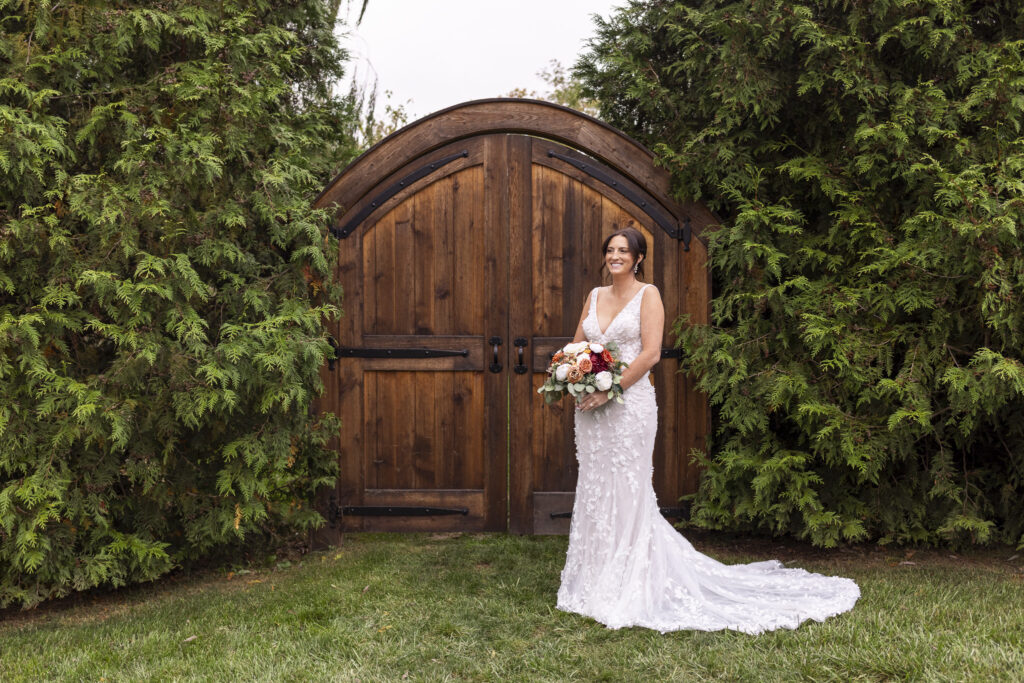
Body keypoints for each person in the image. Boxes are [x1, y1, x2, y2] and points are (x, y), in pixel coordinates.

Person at [555, 226, 860, 634]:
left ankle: (630, 581)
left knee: (628, 488)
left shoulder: (649, 295)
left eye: (624, 251)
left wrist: (609, 392)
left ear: (638, 258)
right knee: (595, 486)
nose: (615, 256)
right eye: (610, 249)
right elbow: (577, 347)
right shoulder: (594, 295)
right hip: (590, 411)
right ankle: (593, 579)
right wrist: (570, 377)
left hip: (629, 408)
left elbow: (650, 354)